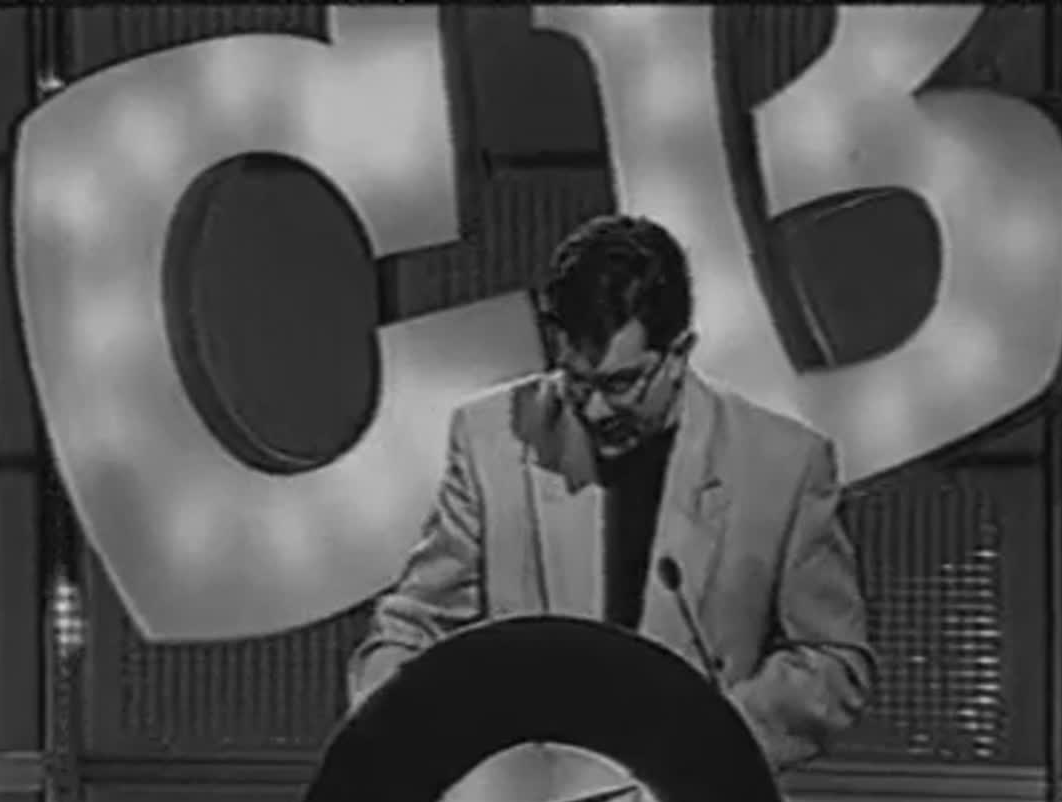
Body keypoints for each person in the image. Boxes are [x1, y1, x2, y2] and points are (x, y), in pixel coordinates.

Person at [347, 214, 875, 772]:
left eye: (620, 384)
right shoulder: (491, 441)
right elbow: (413, 624)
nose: (595, 410)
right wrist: (391, 727)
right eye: (576, 380)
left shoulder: (784, 466)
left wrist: (711, 736)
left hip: (697, 794)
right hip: (529, 795)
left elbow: (833, 665)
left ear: (680, 352)